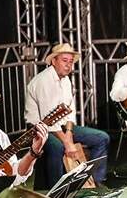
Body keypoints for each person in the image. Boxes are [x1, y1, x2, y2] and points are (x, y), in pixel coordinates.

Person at [25, 43, 110, 187]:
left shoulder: (66, 80)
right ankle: (56, 189)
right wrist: (67, 143)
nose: (68, 65)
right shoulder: (44, 81)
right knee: (58, 147)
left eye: (70, 61)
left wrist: (69, 133)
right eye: (64, 60)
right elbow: (49, 120)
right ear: (54, 61)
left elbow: (70, 112)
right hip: (40, 129)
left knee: (102, 138)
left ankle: (96, 181)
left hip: (62, 126)